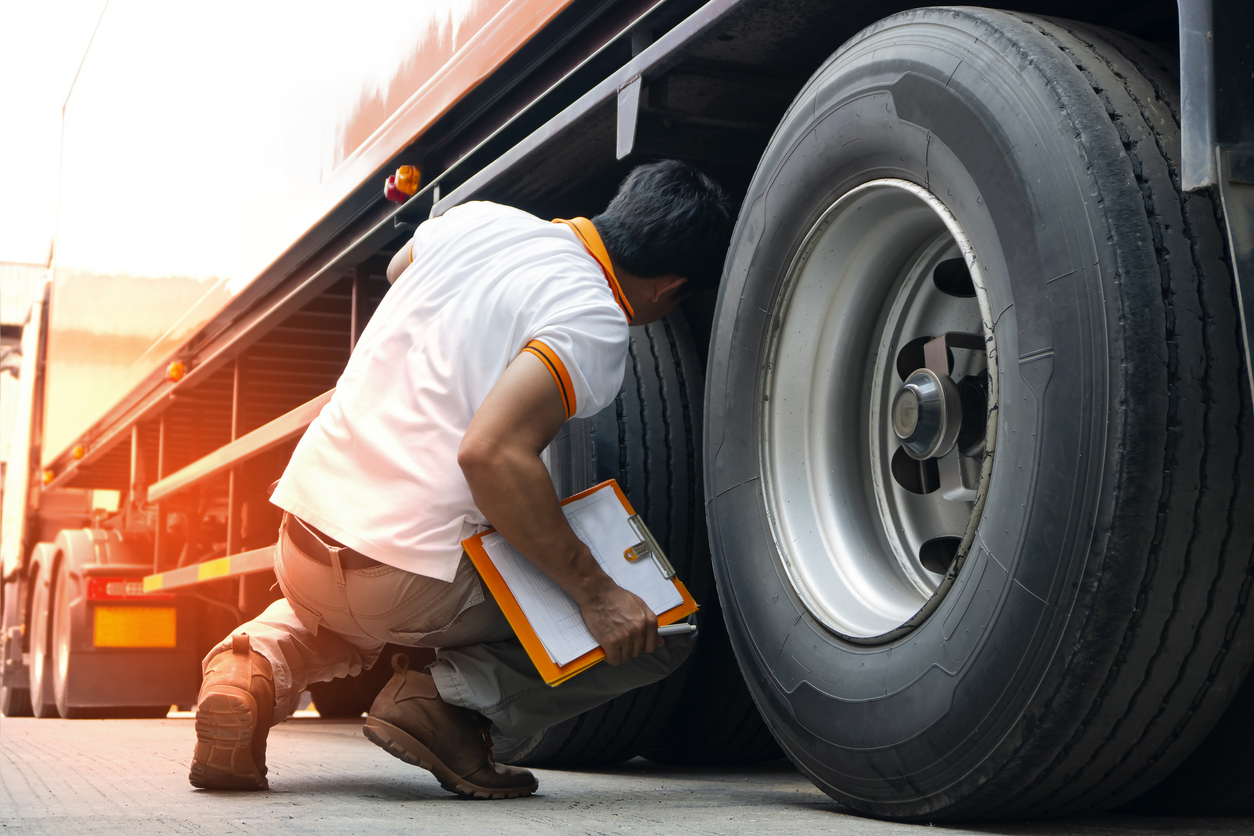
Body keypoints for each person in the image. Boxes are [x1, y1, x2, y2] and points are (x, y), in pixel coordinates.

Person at [188, 160, 733, 799]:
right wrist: (597, 593)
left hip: (303, 539)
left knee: (340, 616)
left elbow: (399, 270)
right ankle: (443, 705)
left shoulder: (478, 220)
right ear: (670, 287)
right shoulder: (592, 314)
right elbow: (492, 455)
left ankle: (245, 673)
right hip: (404, 582)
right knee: (659, 630)